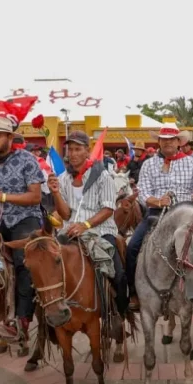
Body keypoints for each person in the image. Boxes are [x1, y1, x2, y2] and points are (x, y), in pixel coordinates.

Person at [0, 116, 44, 343]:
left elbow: (35, 197)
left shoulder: (27, 159)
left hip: (25, 218)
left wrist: (2, 196)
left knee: (24, 261)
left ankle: (21, 320)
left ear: (9, 137)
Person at [126, 123, 193, 310]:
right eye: (163, 140)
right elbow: (142, 192)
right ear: (158, 142)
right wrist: (157, 202)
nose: (167, 143)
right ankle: (133, 293)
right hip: (157, 214)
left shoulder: (191, 163)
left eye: (171, 139)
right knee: (132, 247)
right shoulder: (149, 164)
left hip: (186, 215)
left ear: (178, 142)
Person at [48, 130, 129, 316]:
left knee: (118, 274)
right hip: (70, 231)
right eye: (70, 149)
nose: (73, 153)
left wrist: (85, 225)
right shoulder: (63, 179)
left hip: (101, 231)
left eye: (78, 149)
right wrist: (55, 193)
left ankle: (121, 313)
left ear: (87, 151)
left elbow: (108, 208)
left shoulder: (103, 176)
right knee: (47, 267)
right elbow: (66, 213)